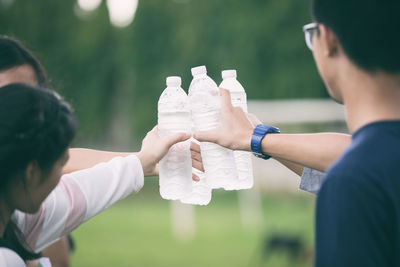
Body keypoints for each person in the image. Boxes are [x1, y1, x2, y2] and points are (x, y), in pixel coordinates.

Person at [194, 0, 400, 265]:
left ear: (327, 39)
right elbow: (359, 154)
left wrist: (257, 138)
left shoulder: (353, 185)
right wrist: (258, 138)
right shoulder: (376, 165)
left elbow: (355, 166)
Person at [0, 35, 200, 267]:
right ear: (31, 171)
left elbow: (76, 197)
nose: (31, 109)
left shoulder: (19, 215)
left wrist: (143, 162)